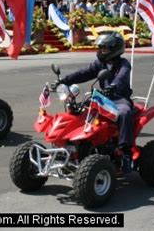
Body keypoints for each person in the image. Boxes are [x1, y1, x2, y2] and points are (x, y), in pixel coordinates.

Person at [57, 31, 134, 173]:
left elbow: (121, 77)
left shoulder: (124, 64)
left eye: (104, 48)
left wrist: (113, 86)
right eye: (100, 48)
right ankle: (73, 147)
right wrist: (63, 81)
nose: (100, 51)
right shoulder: (100, 64)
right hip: (102, 99)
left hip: (118, 99)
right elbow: (83, 73)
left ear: (114, 49)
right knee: (77, 110)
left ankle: (125, 152)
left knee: (124, 113)